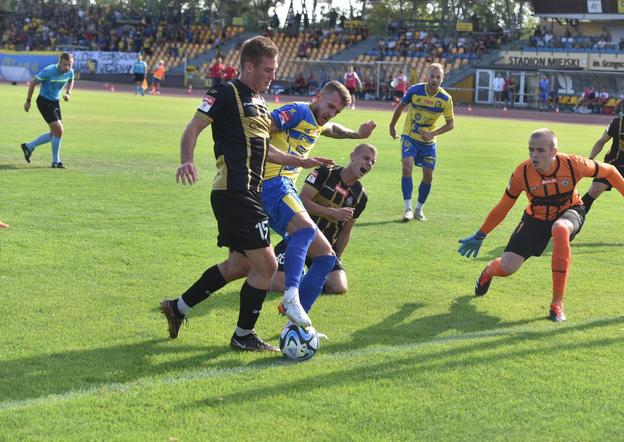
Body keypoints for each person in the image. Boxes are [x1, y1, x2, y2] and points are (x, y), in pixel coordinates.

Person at [159, 36, 329, 351]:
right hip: (233, 191)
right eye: (267, 70)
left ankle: (177, 307)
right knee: (266, 266)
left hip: (251, 192)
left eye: (274, 70)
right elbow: (193, 127)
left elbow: (264, 151)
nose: (272, 76)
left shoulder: (261, 104)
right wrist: (186, 160)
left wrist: (300, 161)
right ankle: (243, 336)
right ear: (248, 66)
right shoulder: (224, 93)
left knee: (240, 266)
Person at [185, 81, 375, 325]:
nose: (330, 113)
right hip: (272, 183)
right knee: (305, 231)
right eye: (329, 106)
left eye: (336, 111)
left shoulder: (317, 121)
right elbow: (259, 136)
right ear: (317, 96)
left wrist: (357, 134)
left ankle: (179, 306)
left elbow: (330, 128)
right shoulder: (297, 111)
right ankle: (291, 298)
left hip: (272, 190)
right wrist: (296, 161)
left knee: (321, 258)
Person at [458, 128, 624, 322]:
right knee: (508, 267)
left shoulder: (573, 163)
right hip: (535, 219)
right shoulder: (522, 173)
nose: (534, 155)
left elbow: (610, 171)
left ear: (554, 151)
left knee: (560, 229)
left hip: (571, 211)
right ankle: (490, 270)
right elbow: (504, 206)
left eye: (540, 150)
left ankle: (557, 304)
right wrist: (480, 234)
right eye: (531, 150)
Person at [271, 143, 376, 296]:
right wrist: (332, 212)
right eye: (366, 158)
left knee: (338, 287)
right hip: (298, 239)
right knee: (278, 285)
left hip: (324, 248)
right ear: (352, 156)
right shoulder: (325, 173)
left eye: (372, 162)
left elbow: (346, 232)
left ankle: (305, 275)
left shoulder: (360, 196)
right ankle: (287, 269)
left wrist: (336, 257)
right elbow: (302, 201)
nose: (369, 163)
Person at [388, 63, 454, 222]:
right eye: (432, 76)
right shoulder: (415, 90)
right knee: (407, 167)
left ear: (442, 79)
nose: (434, 80)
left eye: (438, 77)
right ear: (426, 77)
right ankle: (408, 208)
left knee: (428, 177)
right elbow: (400, 107)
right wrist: (392, 126)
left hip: (429, 142)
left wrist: (433, 133)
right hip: (410, 136)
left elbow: (450, 124)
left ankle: (419, 209)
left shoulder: (445, 99)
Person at [21, 52, 75, 169]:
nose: (67, 68)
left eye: (69, 65)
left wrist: (68, 93)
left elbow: (71, 80)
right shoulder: (49, 71)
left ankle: (29, 146)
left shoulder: (70, 71)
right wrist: (28, 101)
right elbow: (33, 83)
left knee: (55, 133)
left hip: (55, 103)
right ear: (59, 62)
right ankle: (56, 161)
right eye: (65, 64)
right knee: (59, 130)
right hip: (44, 102)